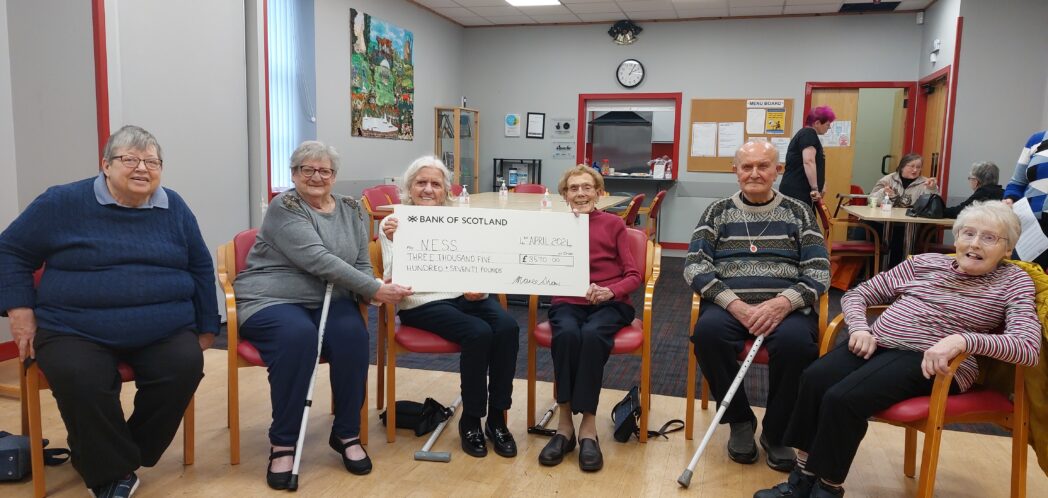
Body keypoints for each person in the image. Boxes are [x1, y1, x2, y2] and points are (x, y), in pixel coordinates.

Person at [755, 201, 1041, 498]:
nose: (975, 244)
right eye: (968, 234)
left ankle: (827, 487)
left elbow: (1027, 346)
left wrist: (962, 341)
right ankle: (801, 480)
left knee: (844, 398)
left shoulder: (1014, 281)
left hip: (935, 363)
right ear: (956, 238)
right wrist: (860, 328)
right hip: (878, 343)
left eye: (990, 238)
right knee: (814, 378)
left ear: (1008, 249)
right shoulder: (924, 263)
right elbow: (858, 294)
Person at [0, 125, 218, 498]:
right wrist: (20, 311)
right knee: (80, 376)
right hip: (74, 327)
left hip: (162, 327)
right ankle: (109, 472)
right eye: (129, 159)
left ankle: (123, 454)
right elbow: (11, 250)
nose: (141, 168)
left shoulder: (174, 206)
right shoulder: (62, 202)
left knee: (183, 367)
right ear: (105, 164)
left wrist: (207, 325)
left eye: (152, 161)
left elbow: (199, 265)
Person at [234, 141, 413, 489]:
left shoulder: (352, 209)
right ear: (294, 174)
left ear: (335, 175)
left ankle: (346, 434)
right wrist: (375, 289)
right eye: (307, 170)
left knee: (352, 337)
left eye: (325, 170)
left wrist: (372, 286)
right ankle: (284, 441)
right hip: (273, 298)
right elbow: (318, 259)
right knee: (296, 338)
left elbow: (360, 261)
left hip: (331, 299)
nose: (316, 176)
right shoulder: (284, 206)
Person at [684, 141, 830, 473]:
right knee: (706, 335)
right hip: (729, 304)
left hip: (786, 306)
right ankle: (740, 420)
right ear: (734, 170)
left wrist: (782, 303)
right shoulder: (717, 212)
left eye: (763, 166)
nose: (754, 173)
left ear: (778, 170)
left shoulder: (798, 211)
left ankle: (777, 432)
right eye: (746, 166)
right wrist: (733, 305)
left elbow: (819, 270)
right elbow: (694, 266)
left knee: (797, 346)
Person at [379, 156, 520, 459]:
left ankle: (497, 418)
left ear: (445, 190)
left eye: (435, 184)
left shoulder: (459, 218)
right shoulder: (394, 222)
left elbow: (478, 260)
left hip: (464, 295)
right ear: (409, 188)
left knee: (509, 327)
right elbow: (392, 275)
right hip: (422, 300)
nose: (428, 189)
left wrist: (480, 284)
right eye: (421, 183)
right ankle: (471, 419)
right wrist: (398, 242)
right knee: (478, 332)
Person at [536, 164, 642, 472]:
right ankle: (565, 425)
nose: (580, 193)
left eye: (586, 187)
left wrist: (609, 291)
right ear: (564, 195)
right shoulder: (554, 227)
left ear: (598, 192)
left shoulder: (613, 224)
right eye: (573, 188)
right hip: (568, 300)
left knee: (594, 335)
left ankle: (588, 427)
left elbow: (634, 275)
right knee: (567, 334)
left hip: (610, 302)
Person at [1002, 130, 1048, 267]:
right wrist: (1009, 199)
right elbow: (1017, 183)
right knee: (1025, 282)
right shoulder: (1037, 139)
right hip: (1031, 228)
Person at [779, 105, 835, 208]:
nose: (829, 127)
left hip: (799, 190)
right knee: (802, 222)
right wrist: (815, 188)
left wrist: (822, 183)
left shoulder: (807, 134)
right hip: (798, 191)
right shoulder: (808, 133)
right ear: (817, 123)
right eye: (827, 124)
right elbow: (808, 161)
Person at [869, 153, 939, 208]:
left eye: (918, 167)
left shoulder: (926, 183)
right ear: (902, 167)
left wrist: (932, 189)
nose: (915, 170)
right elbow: (870, 199)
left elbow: (934, 205)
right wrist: (883, 192)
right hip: (883, 220)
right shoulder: (888, 179)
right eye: (912, 166)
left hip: (913, 222)